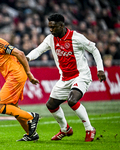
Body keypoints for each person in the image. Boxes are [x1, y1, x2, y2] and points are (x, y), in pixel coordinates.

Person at [26, 13, 106, 142]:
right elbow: (38, 50)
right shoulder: (50, 39)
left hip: (81, 75)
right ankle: (65, 129)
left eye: (54, 27)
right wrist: (27, 58)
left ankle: (89, 128)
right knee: (51, 105)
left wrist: (100, 69)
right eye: (49, 27)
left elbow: (94, 49)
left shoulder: (76, 37)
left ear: (62, 25)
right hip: (64, 78)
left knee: (72, 100)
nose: (51, 30)